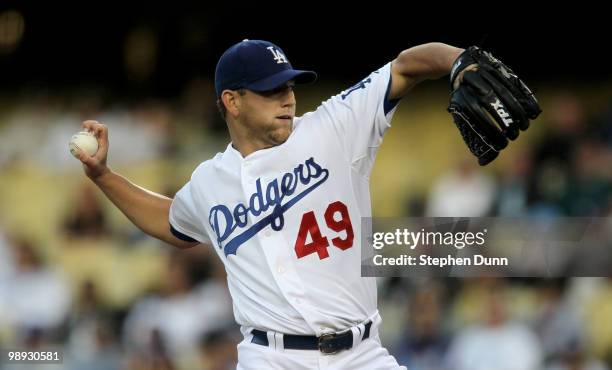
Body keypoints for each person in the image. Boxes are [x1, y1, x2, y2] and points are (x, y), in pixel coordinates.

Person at [74, 39, 466, 369]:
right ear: (232, 101)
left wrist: (461, 61)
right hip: (271, 358)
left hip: (361, 354)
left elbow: (404, 68)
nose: (287, 99)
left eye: (290, 87)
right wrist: (104, 177)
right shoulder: (210, 181)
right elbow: (171, 222)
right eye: (271, 90)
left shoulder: (334, 127)